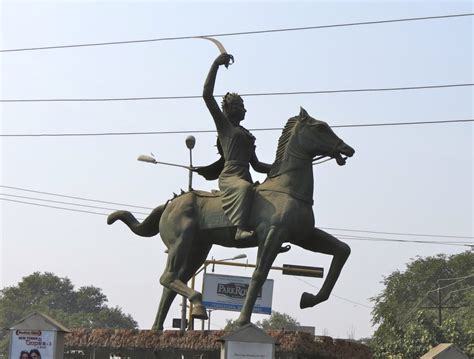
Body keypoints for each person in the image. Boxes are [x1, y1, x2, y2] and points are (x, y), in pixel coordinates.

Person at [200, 53, 271, 241]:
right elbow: (207, 95)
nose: (244, 109)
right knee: (245, 189)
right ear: (229, 108)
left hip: (245, 175)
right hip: (231, 177)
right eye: (240, 105)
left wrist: (282, 166)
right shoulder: (225, 127)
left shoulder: (247, 135)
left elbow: (257, 166)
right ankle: (239, 230)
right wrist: (215, 64)